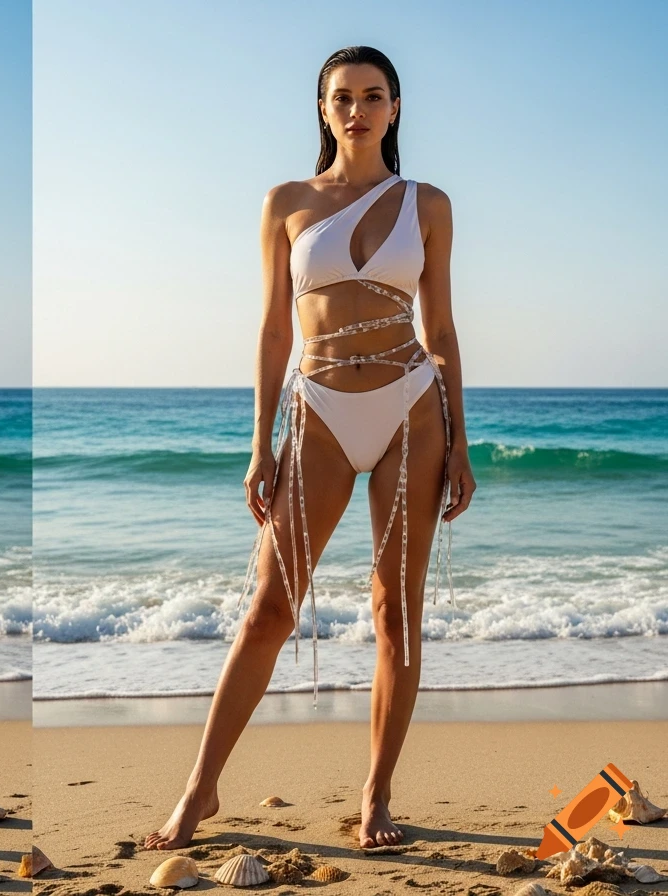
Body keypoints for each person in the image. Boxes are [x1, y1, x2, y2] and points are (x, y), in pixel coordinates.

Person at [146, 45, 475, 851]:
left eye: (373, 96)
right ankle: (200, 790)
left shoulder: (426, 203)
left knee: (396, 615)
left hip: (411, 408)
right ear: (323, 110)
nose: (357, 110)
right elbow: (270, 329)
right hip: (318, 405)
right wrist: (259, 443)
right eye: (342, 98)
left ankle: (376, 798)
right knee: (268, 608)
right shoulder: (286, 201)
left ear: (395, 108)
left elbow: (440, 330)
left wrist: (461, 440)